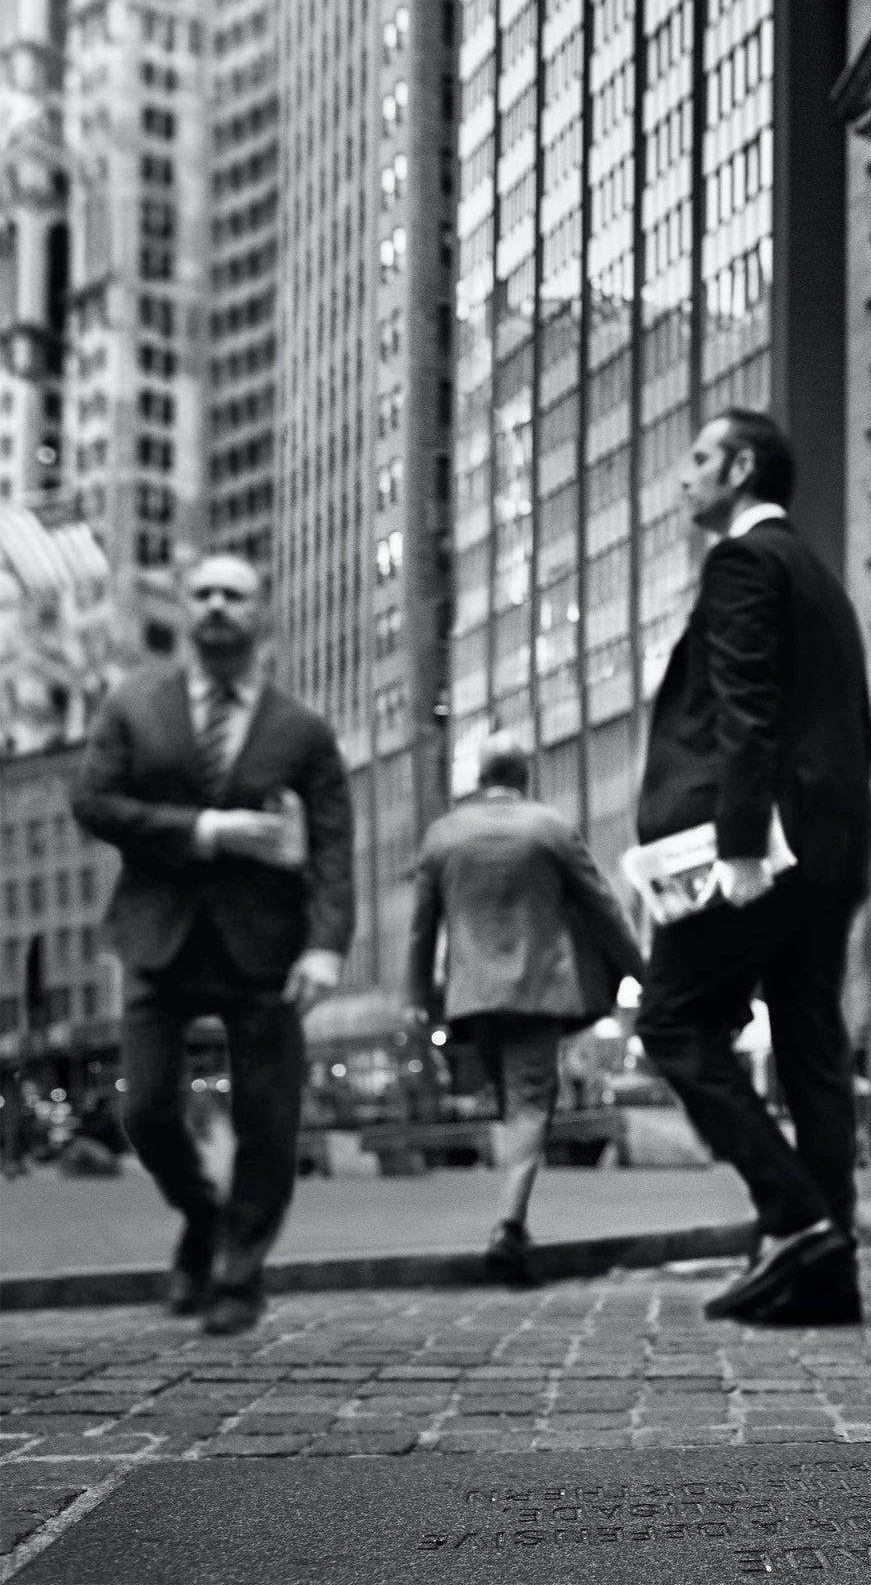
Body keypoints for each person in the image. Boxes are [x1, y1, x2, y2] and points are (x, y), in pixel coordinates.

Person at [635, 409, 871, 1325]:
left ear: (738, 466)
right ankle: (828, 1272)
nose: (685, 477)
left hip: (760, 847)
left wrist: (738, 845)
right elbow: (847, 724)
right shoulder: (820, 577)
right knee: (812, 1042)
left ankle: (797, 1215)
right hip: (833, 846)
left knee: (670, 1018)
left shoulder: (742, 562)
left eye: (699, 459)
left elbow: (746, 710)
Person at [72, 553, 354, 1333]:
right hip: (156, 935)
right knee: (148, 1110)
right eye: (204, 593)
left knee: (269, 1117)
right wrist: (204, 830)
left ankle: (239, 1270)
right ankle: (203, 1217)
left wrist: (326, 945)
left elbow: (334, 846)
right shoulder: (135, 704)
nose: (218, 605)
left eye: (235, 594)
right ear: (185, 609)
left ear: (261, 612)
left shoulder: (302, 728)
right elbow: (93, 802)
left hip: (266, 945)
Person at [408, 733, 645, 1285]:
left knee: (513, 1101)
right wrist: (641, 972)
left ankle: (512, 1216)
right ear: (526, 775)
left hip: (471, 999)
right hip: (538, 992)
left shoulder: (444, 834)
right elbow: (603, 905)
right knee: (530, 1106)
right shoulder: (550, 829)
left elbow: (424, 926)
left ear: (479, 778)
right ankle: (509, 1226)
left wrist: (417, 997)